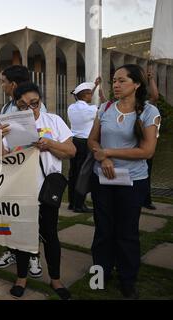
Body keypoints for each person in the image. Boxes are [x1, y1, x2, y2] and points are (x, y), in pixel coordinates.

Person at [88, 64, 161, 299]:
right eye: (114, 81)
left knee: (127, 231)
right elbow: (91, 140)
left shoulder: (149, 112)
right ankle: (100, 274)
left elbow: (147, 151)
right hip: (103, 179)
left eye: (121, 80)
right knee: (103, 230)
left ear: (137, 84)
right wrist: (102, 155)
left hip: (132, 181)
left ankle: (127, 280)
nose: (116, 85)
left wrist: (108, 153)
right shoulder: (105, 108)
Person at [0, 82, 76, 300]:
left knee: (50, 235)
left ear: (40, 101)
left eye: (34, 103)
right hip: (21, 189)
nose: (30, 109)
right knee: (23, 237)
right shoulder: (9, 126)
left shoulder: (53, 121)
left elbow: (71, 150)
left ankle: (55, 279)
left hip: (47, 190)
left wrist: (49, 144)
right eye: (23, 105)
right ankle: (21, 278)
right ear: (16, 105)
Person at [0, 65, 45, 274]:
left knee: (32, 217)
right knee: (12, 214)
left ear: (13, 84)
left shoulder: (36, 108)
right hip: (10, 169)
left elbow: (41, 134)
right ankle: (13, 250)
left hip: (30, 171)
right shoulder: (8, 108)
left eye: (4, 82)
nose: (3, 86)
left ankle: (34, 256)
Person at [67, 78, 103, 213]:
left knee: (73, 173)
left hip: (73, 141)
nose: (91, 95)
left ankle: (71, 202)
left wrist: (94, 86)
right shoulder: (92, 109)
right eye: (89, 94)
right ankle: (79, 204)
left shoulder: (71, 107)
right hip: (85, 143)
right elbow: (103, 107)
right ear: (85, 95)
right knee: (84, 174)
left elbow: (83, 99)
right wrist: (100, 92)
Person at [143, 64, 160, 210]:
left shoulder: (147, 106)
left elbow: (155, 96)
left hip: (147, 144)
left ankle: (146, 200)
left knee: (147, 173)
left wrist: (151, 78)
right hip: (137, 145)